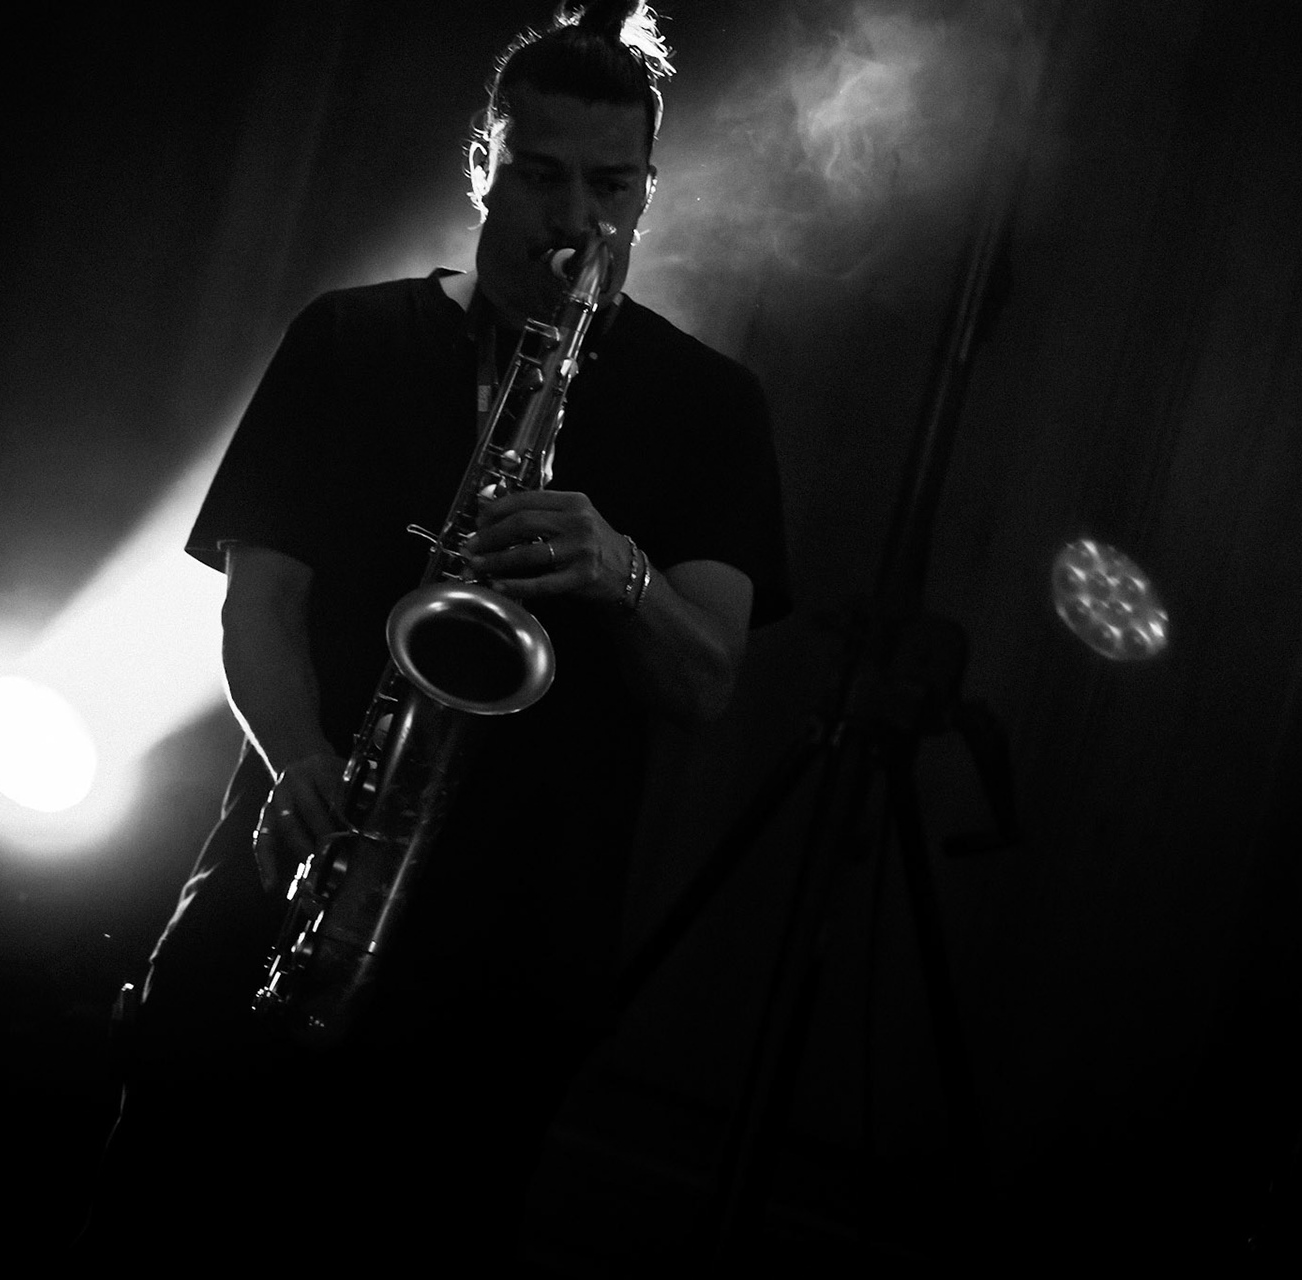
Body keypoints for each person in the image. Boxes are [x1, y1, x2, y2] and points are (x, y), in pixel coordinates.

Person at [86, 0, 789, 1262]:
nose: (575, 219)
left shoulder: (710, 407)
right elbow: (263, 602)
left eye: (611, 186)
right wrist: (302, 755)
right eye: (541, 174)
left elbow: (709, 679)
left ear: (645, 195)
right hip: (288, 878)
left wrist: (622, 571)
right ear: (484, 164)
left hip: (504, 969)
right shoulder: (350, 338)